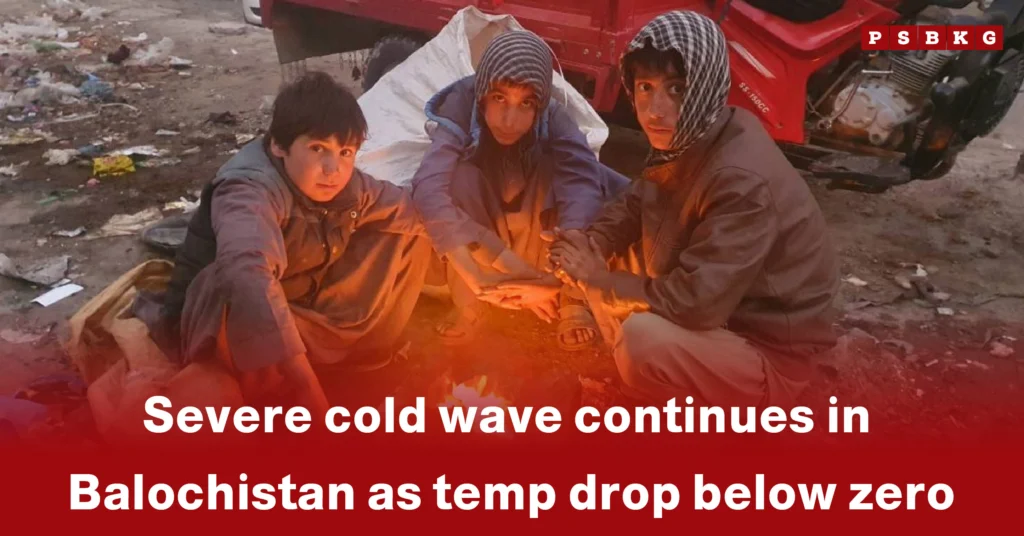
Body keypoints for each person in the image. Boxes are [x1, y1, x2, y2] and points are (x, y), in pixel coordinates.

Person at [545, 11, 840, 407]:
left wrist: (597, 280)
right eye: (645, 87)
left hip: (771, 352)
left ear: (706, 86)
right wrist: (590, 241)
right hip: (727, 314)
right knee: (612, 266)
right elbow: (639, 199)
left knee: (642, 339)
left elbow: (695, 304)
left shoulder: (740, 179)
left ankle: (712, 424)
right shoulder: (699, 132)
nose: (654, 109)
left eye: (678, 89)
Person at [148, 71, 431, 415]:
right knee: (234, 282)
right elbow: (247, 267)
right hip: (222, 325)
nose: (333, 169)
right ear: (278, 145)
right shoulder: (249, 188)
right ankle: (282, 384)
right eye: (317, 149)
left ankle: (359, 360)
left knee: (405, 233)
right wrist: (306, 387)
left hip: (298, 307)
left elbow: (415, 211)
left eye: (345, 152)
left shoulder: (347, 185)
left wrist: (488, 263)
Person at [411, 30, 630, 350]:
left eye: (525, 103)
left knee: (581, 182)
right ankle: (471, 302)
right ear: (483, 92)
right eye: (499, 98)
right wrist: (474, 275)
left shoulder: (553, 116)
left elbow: (582, 183)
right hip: (485, 236)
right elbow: (428, 187)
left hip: (540, 236)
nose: (510, 120)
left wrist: (559, 276)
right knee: (459, 179)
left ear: (539, 103)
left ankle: (572, 299)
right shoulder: (461, 104)